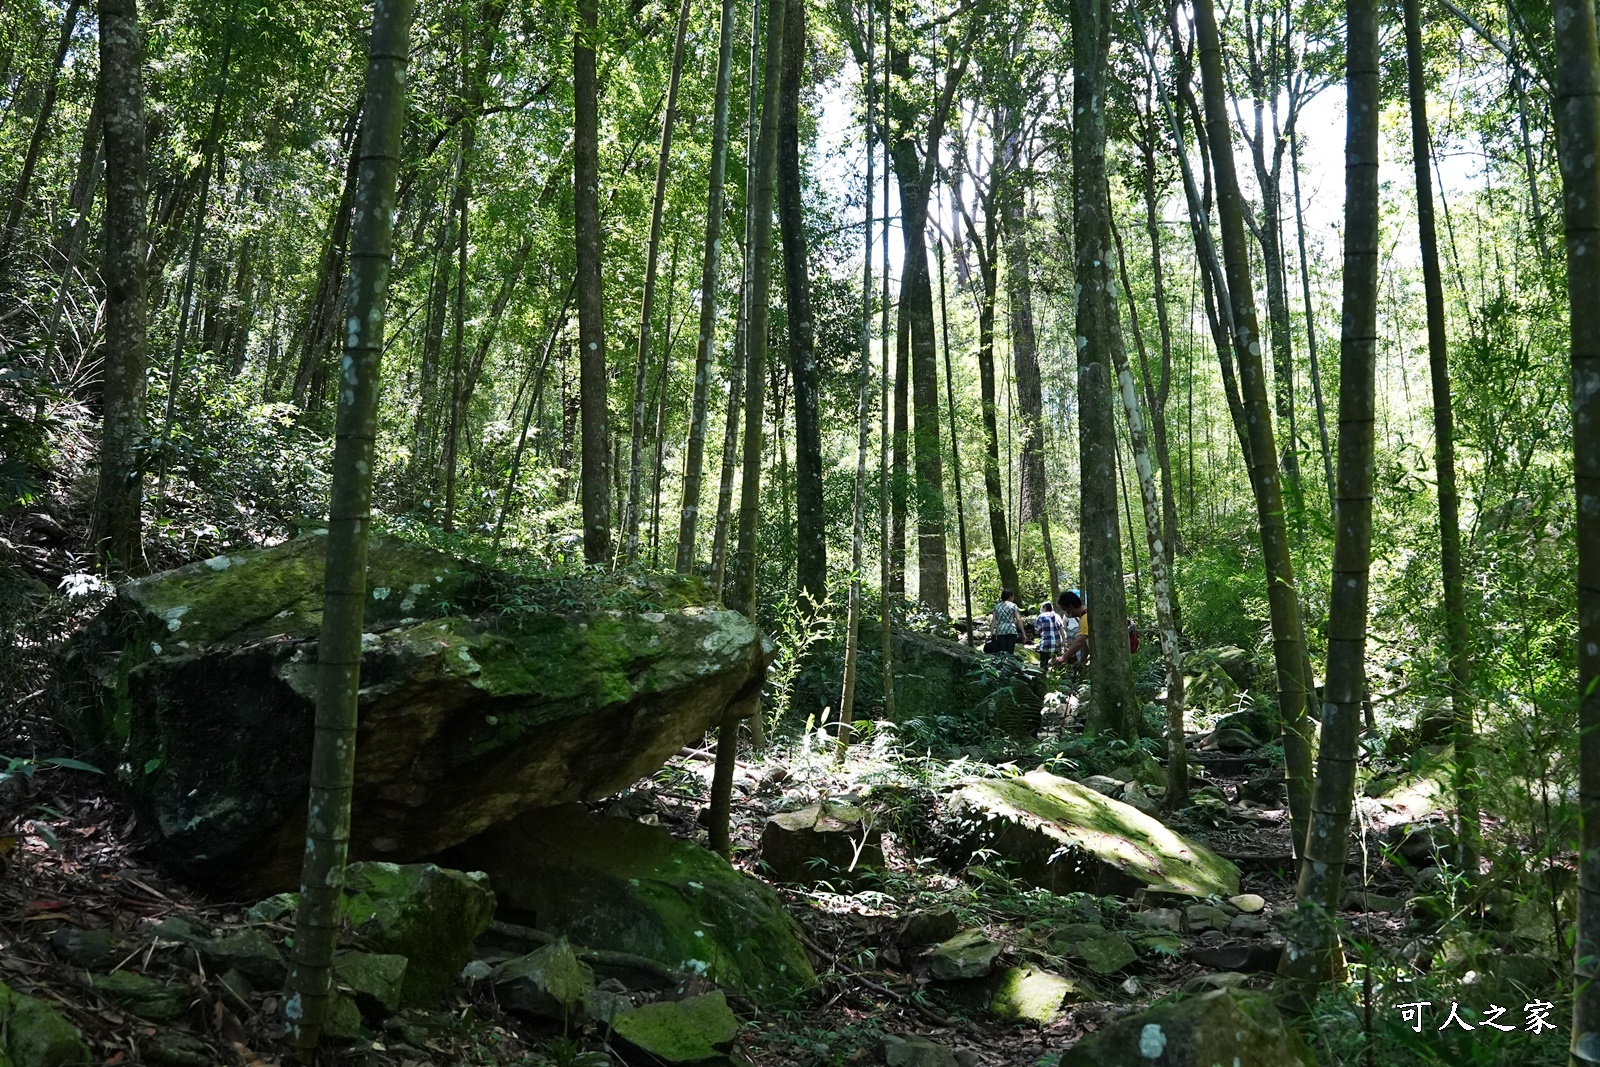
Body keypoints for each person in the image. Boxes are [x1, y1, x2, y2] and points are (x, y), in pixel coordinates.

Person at [1057, 589, 1090, 667]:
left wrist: (1063, 658)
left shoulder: (1085, 617)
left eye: (1066, 610)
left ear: (1071, 607)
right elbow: (1086, 642)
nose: (1066, 613)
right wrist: (1082, 660)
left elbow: (1080, 640)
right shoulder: (1084, 615)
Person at [987, 589, 1022, 656]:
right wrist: (1023, 633)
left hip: (1000, 631)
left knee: (1002, 652)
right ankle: (1010, 664)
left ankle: (1002, 664)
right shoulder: (1013, 605)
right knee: (1010, 652)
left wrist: (991, 634)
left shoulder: (997, 606)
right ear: (1010, 596)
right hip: (1011, 630)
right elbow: (1018, 619)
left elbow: (993, 621)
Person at [1035, 600, 1065, 667]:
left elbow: (1037, 630)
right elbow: (1062, 631)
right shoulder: (1057, 616)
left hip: (1046, 644)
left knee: (1044, 664)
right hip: (1057, 644)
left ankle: (1043, 676)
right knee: (1056, 664)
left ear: (1044, 607)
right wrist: (1064, 646)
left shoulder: (1041, 616)